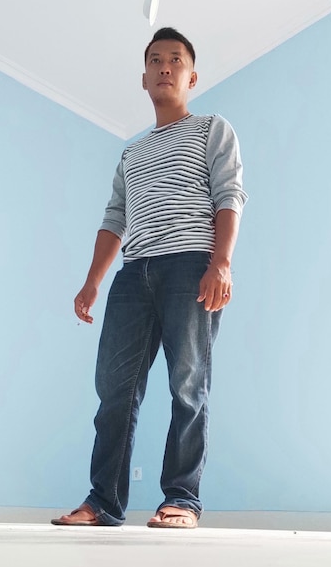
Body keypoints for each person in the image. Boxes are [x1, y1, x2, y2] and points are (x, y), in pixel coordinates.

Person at [51, 27, 248, 529]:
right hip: (132, 274)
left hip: (191, 266)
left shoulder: (212, 128)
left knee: (188, 385)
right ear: (143, 79)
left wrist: (220, 263)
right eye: (156, 60)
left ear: (191, 75)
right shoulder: (130, 153)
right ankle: (102, 502)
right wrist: (93, 280)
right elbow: (114, 218)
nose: (165, 66)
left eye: (175, 60)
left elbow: (229, 195)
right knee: (114, 389)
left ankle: (181, 499)